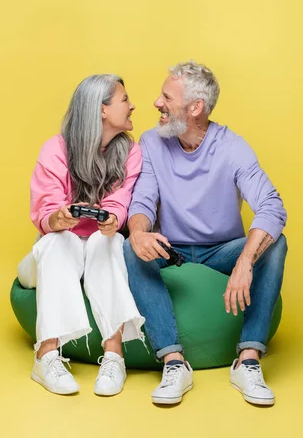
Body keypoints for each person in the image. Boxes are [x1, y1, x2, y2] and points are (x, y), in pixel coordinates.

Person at [123, 61, 288, 406]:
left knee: (275, 243)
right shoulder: (151, 142)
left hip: (222, 250)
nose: (156, 103)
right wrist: (138, 232)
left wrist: (245, 260)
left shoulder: (232, 147)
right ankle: (173, 360)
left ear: (195, 107)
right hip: (171, 250)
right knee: (129, 247)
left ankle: (248, 359)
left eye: (167, 97)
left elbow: (271, 206)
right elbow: (143, 200)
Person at [18, 74, 144, 396]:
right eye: (124, 100)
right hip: (61, 243)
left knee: (109, 240)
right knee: (59, 242)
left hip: (99, 245)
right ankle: (46, 356)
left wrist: (114, 217)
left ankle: (114, 354)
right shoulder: (56, 149)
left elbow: (121, 196)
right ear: (102, 110)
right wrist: (59, 217)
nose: (132, 106)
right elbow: (46, 209)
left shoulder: (130, 151)